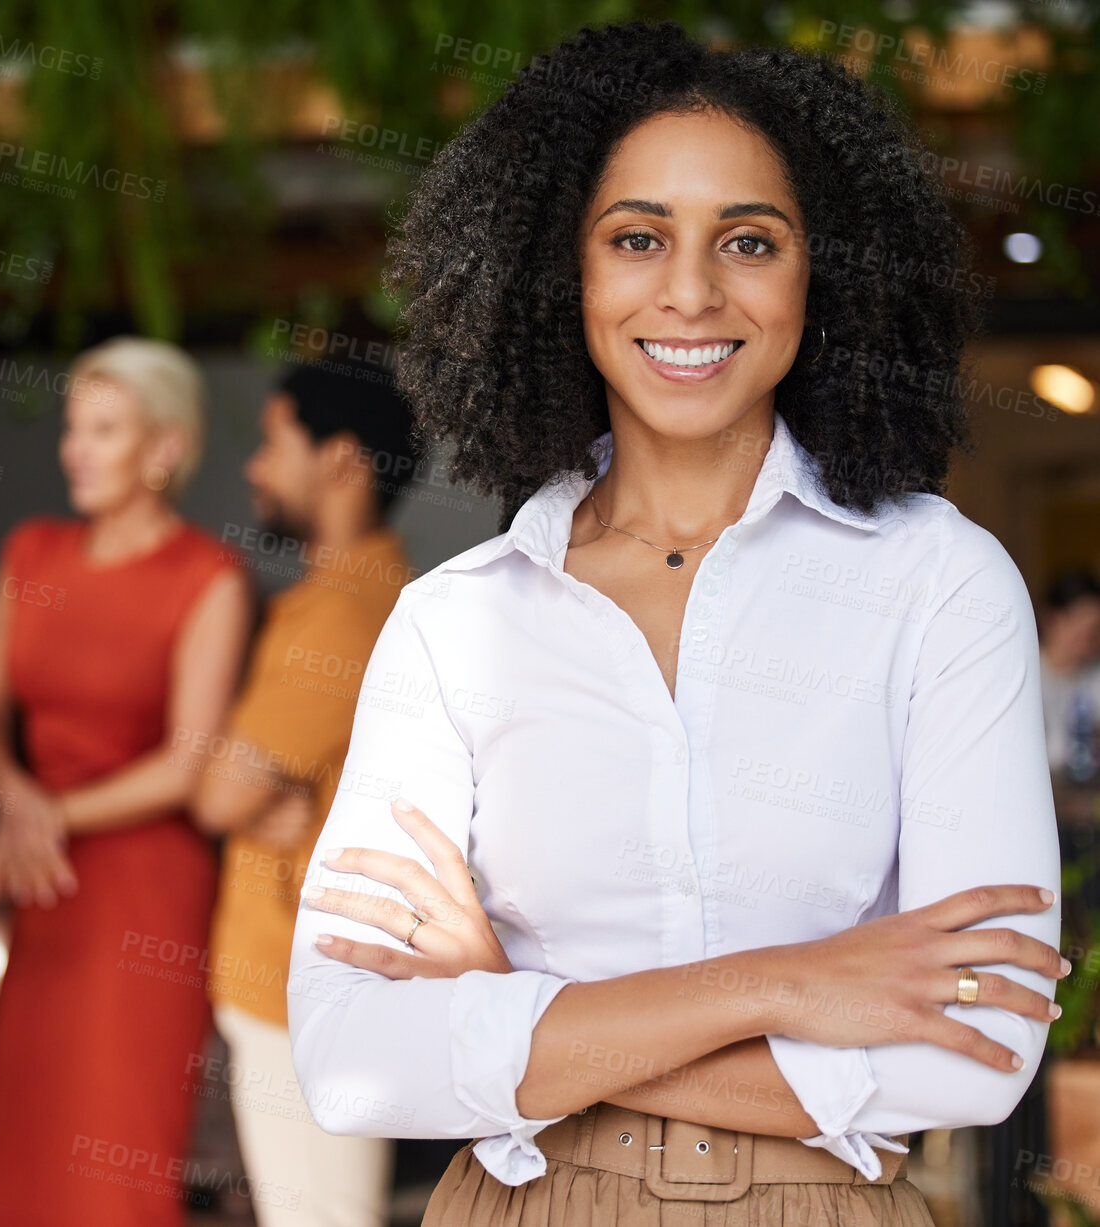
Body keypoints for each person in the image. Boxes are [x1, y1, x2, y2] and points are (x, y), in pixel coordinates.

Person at [286, 21, 1068, 1226]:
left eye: (747, 241)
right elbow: (351, 1059)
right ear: (561, 273)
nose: (690, 292)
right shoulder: (453, 622)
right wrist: (793, 984)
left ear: (826, 270)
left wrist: (514, 1010)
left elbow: (975, 1046)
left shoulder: (936, 585)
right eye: (635, 238)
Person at [0, 337, 253, 1227]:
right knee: (32, 1150)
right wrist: (14, 797)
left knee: (122, 1161)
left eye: (104, 428)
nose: (73, 448)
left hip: (143, 903)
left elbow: (188, 761)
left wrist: (38, 816)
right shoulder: (31, 553)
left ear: (164, 448)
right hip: (44, 891)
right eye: (74, 426)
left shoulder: (208, 578)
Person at [190, 354, 418, 1227]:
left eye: (271, 440)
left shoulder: (342, 617)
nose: (254, 464)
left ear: (341, 460)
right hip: (306, 980)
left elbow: (216, 795)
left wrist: (276, 802)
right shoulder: (363, 597)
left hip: (304, 985)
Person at [1038, 569, 1100, 780]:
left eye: (1094, 632)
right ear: (1051, 620)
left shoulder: (1093, 676)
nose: (1088, 640)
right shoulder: (1024, 673)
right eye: (1081, 629)